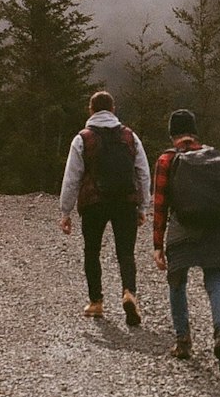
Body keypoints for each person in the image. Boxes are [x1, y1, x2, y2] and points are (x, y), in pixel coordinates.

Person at [152, 108, 220, 371]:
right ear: (194, 132)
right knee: (215, 282)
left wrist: (158, 245)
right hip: (216, 229)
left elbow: (159, 205)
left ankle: (183, 341)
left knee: (177, 283)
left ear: (172, 135)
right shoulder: (216, 157)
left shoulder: (167, 160)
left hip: (182, 230)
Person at [59, 90, 151, 323]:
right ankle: (129, 292)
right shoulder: (130, 136)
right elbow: (143, 172)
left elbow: (72, 177)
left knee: (92, 251)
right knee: (126, 253)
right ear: (113, 109)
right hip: (125, 201)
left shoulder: (83, 138)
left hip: (94, 203)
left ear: (90, 110)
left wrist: (65, 211)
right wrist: (143, 207)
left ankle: (96, 302)